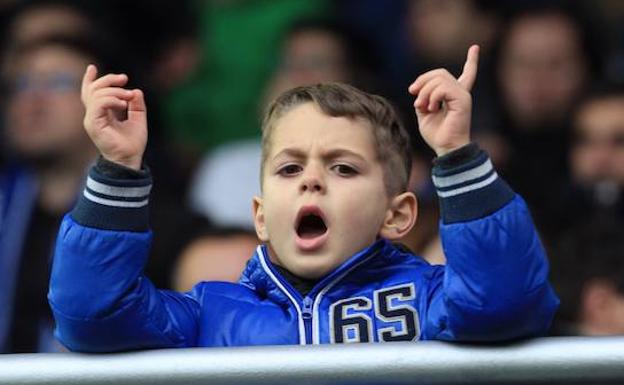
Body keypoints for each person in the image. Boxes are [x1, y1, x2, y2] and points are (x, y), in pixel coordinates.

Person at [48, 46, 558, 351]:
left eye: (342, 167)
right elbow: (94, 318)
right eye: (290, 168)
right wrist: (117, 169)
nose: (311, 181)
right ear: (262, 217)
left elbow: (505, 302)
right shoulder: (210, 312)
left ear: (398, 214)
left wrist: (456, 154)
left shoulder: (429, 297)